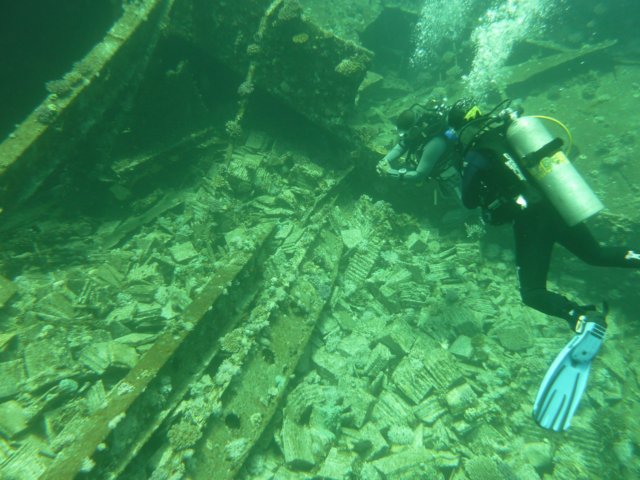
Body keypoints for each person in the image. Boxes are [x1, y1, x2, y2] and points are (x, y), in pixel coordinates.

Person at [451, 98, 640, 431]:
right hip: (558, 205)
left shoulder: (477, 154)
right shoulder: (512, 134)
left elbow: (467, 199)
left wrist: (466, 170)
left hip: (532, 223)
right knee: (595, 254)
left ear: (464, 128)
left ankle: (580, 316)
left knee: (533, 292)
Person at [376, 98, 462, 199]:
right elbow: (401, 146)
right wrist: (384, 161)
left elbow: (419, 175)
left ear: (414, 129)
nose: (402, 137)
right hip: (442, 179)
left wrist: (389, 172)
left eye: (403, 134)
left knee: (466, 203)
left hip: (456, 179)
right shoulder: (416, 134)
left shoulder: (434, 143)